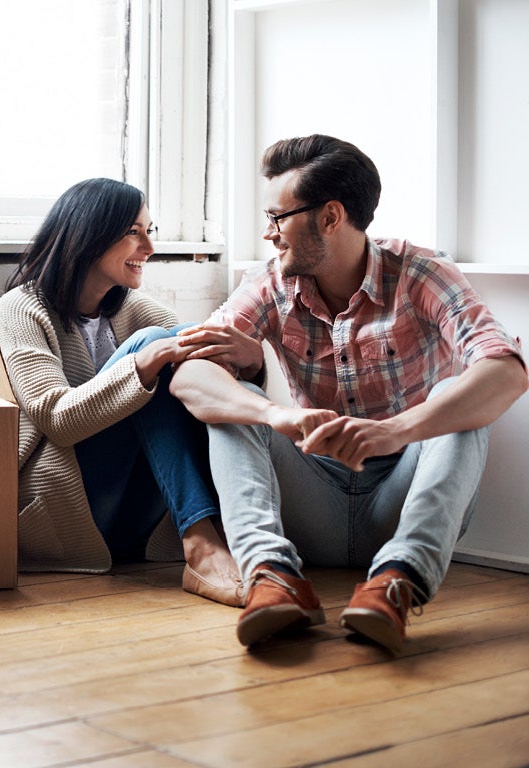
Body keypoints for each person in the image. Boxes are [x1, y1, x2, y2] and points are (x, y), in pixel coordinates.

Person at [169, 135, 528, 651]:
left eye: (278, 218)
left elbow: (507, 371)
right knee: (233, 402)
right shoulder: (269, 282)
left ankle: (397, 583)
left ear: (331, 217)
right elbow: (187, 375)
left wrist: (394, 431)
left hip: (404, 502)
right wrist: (275, 415)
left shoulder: (420, 273)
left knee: (460, 398)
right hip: (311, 502)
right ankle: (272, 579)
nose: (269, 234)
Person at [0, 177, 243, 606]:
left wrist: (240, 356)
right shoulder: (22, 308)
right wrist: (142, 364)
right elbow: (58, 419)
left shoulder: (131, 306)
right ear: (89, 235)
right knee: (153, 348)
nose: (149, 247)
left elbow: (191, 351)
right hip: (70, 509)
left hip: (135, 518)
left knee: (183, 342)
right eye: (134, 232)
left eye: (151, 231)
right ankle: (203, 543)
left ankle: (236, 529)